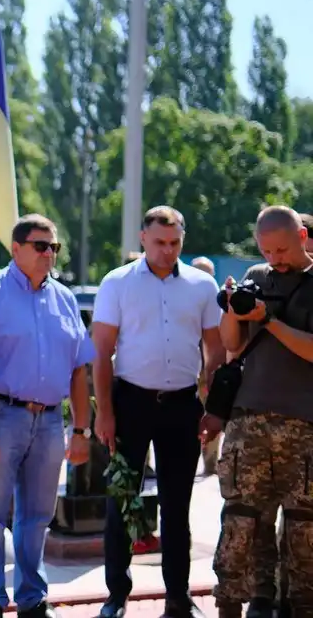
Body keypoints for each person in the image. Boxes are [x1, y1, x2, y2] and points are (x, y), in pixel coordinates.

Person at [0, 214, 94, 618]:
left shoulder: (65, 299)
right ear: (16, 249)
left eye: (54, 247)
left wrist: (80, 430)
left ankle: (32, 598)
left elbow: (78, 370)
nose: (49, 253)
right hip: (2, 416)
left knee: (37, 516)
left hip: (49, 421)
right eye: (40, 246)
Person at [92, 206, 224, 618]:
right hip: (130, 403)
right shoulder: (117, 282)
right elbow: (101, 353)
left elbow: (215, 351)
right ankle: (116, 596)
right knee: (122, 502)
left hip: (182, 406)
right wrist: (104, 413)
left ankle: (177, 597)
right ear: (143, 239)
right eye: (159, 242)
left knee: (176, 505)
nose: (167, 250)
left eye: (175, 242)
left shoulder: (202, 285)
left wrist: (213, 406)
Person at [203, 206, 313, 618]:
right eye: (266, 251)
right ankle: (237, 602)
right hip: (249, 421)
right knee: (241, 521)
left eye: (281, 250)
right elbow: (232, 343)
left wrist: (269, 320)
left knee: (304, 530)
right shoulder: (256, 277)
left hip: (304, 425)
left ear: (302, 237)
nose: (274, 259)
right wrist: (234, 310)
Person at [189, 256, 221, 476]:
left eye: (209, 273)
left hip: (210, 370)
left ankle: (210, 463)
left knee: (213, 412)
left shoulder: (218, 300)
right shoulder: (183, 299)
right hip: (188, 372)